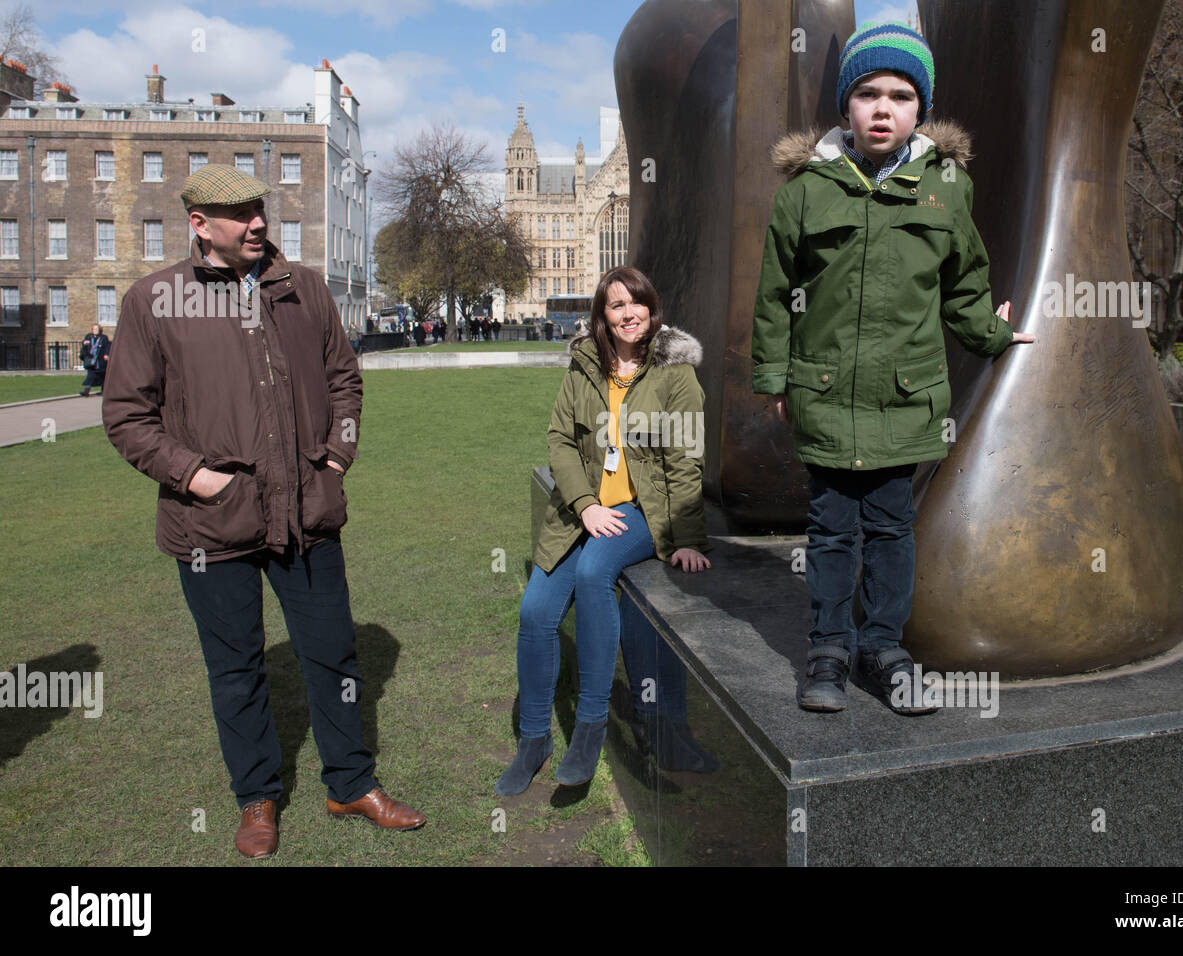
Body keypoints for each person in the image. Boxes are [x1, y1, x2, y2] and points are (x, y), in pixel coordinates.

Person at [102, 164, 424, 860]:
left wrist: (337, 459)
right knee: (236, 668)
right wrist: (195, 476)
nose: (256, 224)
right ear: (199, 224)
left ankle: (351, 783)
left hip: (307, 514)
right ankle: (257, 800)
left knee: (333, 655)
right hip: (209, 526)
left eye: (259, 210)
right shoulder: (155, 300)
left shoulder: (302, 288)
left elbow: (345, 379)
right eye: (238, 214)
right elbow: (127, 416)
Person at [751, 22, 1035, 715]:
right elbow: (773, 296)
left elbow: (965, 282)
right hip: (824, 394)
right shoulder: (804, 194)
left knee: (890, 529)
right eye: (869, 93)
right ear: (846, 106)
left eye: (901, 96)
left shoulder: (946, 188)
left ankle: (882, 648)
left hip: (906, 399)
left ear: (921, 109)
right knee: (829, 529)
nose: (884, 108)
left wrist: (995, 335)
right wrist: (775, 377)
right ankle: (826, 649)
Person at [496, 265, 711, 796]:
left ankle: (590, 728)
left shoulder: (674, 373)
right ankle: (534, 741)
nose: (628, 314)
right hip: (583, 511)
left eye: (636, 303)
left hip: (644, 510)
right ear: (603, 316)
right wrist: (586, 504)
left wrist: (687, 538)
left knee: (595, 571)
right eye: (616, 306)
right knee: (535, 613)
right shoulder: (585, 365)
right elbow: (560, 439)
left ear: (651, 309)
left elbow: (686, 460)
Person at [78, 324, 111, 397]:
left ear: (100, 330)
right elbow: (84, 344)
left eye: (96, 329)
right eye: (93, 329)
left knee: (103, 376)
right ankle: (86, 391)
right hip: (91, 360)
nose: (95, 330)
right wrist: (84, 343)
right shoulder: (89, 336)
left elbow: (107, 347)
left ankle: (104, 391)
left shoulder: (103, 338)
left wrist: (106, 354)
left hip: (100, 360)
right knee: (90, 375)